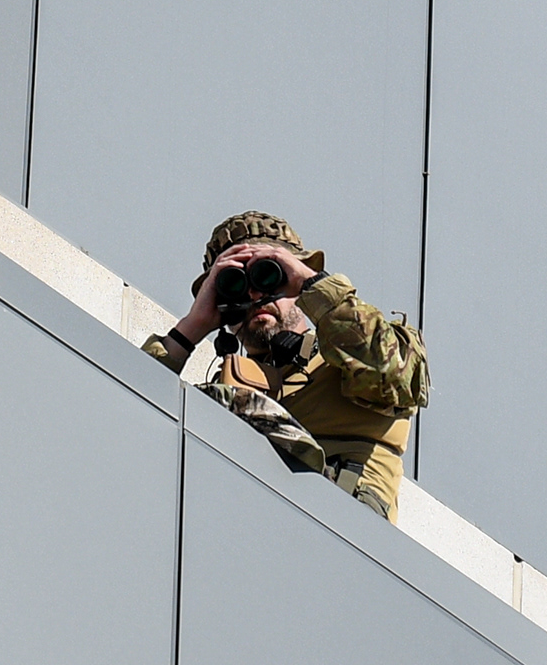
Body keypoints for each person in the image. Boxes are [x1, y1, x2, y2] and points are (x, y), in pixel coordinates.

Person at [144, 210, 430, 518]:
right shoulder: (229, 386)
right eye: (236, 284)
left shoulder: (353, 356)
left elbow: (397, 373)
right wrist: (191, 328)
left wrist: (312, 283)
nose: (255, 294)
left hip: (341, 528)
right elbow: (130, 408)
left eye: (268, 276)